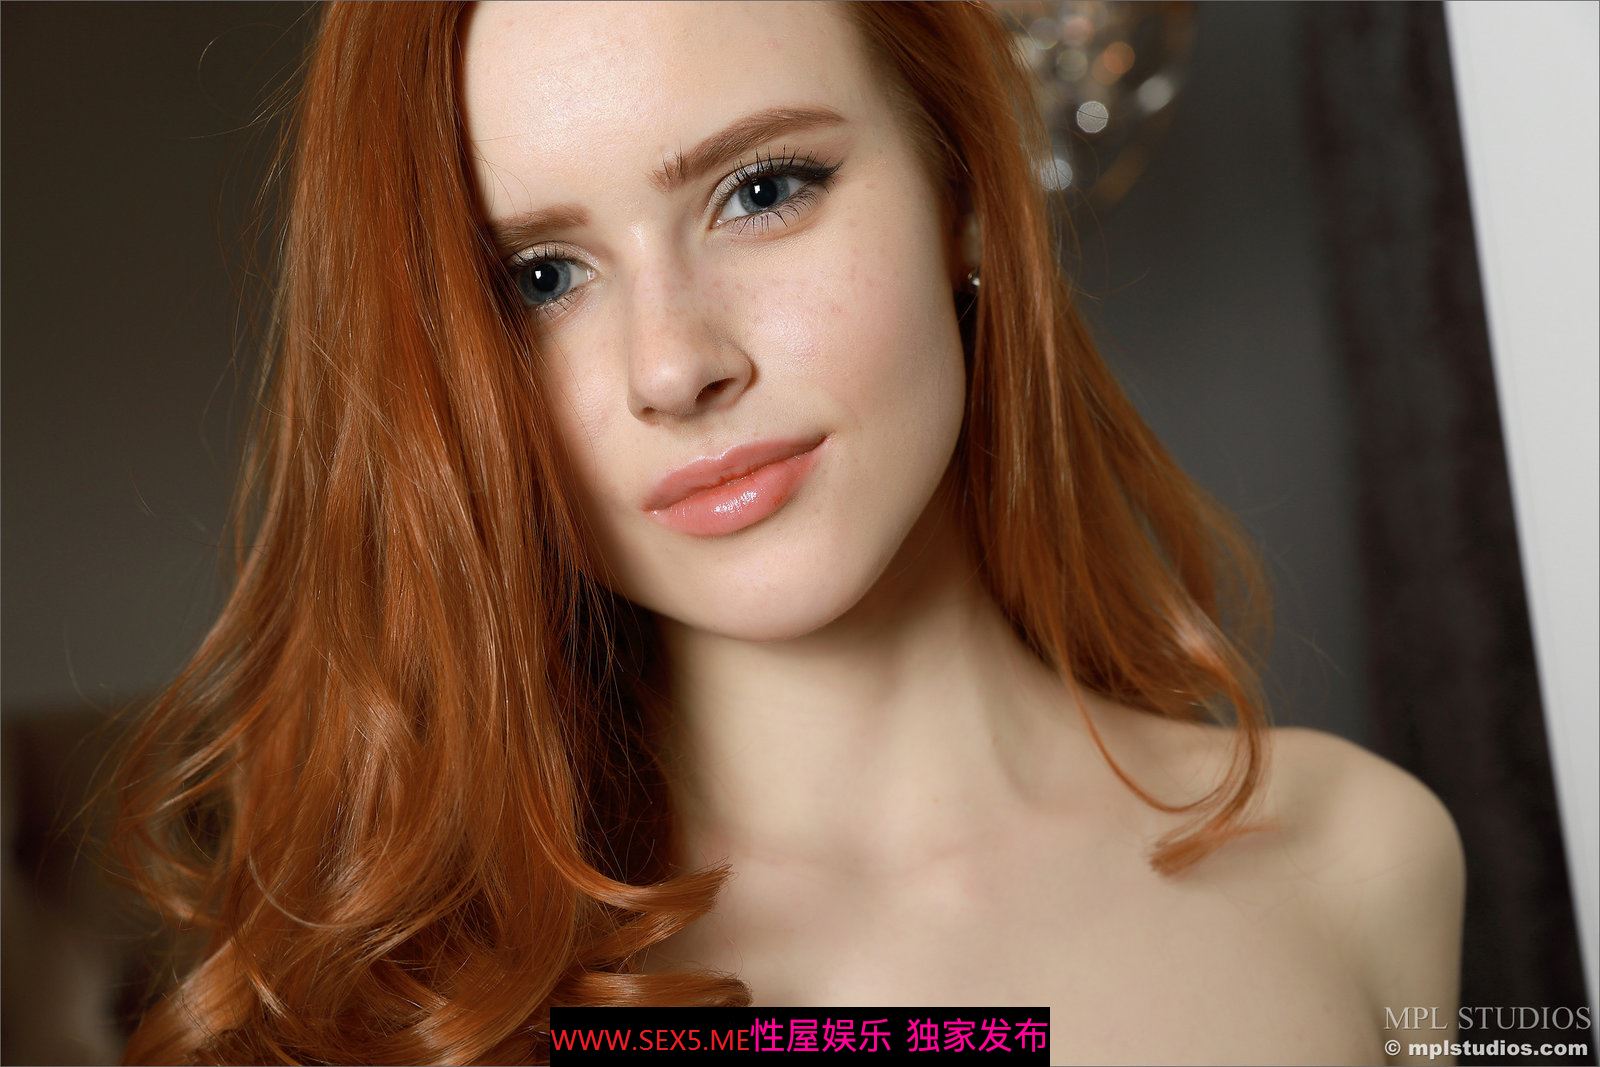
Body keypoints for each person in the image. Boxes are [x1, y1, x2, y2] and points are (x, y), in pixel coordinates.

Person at [108, 2, 1467, 1063]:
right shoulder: (432, 1004)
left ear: (964, 188)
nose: (672, 365)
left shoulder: (1361, 858)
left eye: (762, 190)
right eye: (541, 278)